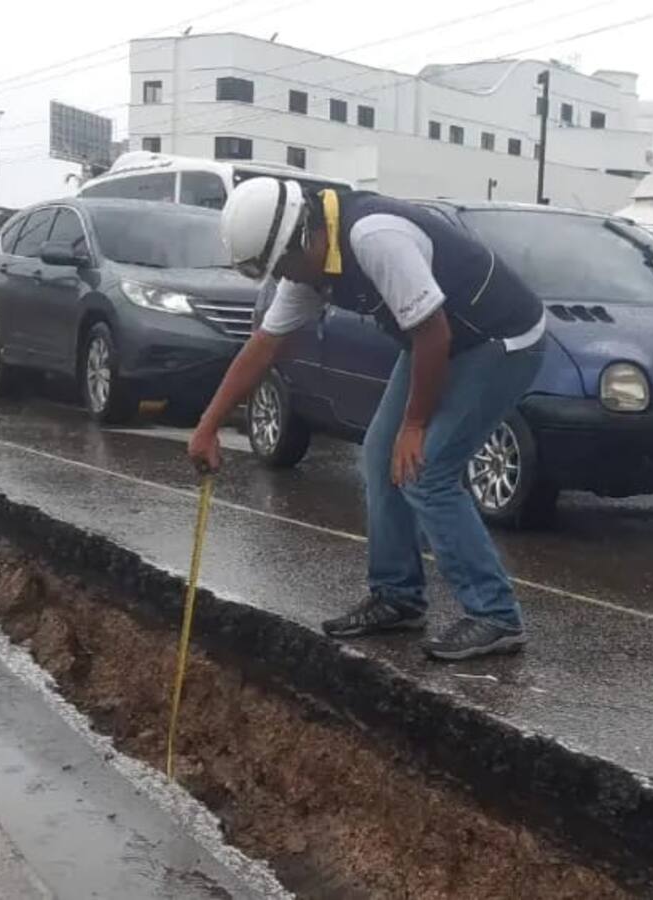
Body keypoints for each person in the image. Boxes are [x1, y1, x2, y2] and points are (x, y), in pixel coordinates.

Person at [188, 178, 546, 660]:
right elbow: (264, 346)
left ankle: (496, 615)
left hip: (500, 341)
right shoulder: (309, 266)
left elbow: (434, 334)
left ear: (304, 236)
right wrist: (208, 426)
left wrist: (414, 426)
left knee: (426, 470)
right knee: (380, 458)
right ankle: (398, 598)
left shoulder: (375, 237)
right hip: (438, 340)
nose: (286, 278)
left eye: (284, 266)